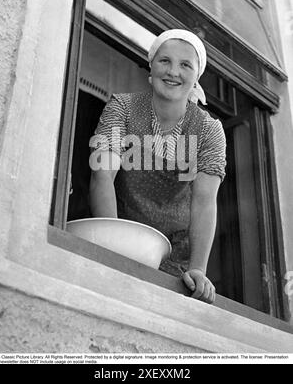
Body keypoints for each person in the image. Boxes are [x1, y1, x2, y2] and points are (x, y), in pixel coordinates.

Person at [89, 29, 226, 304]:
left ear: (196, 77)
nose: (173, 71)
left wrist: (197, 268)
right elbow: (101, 177)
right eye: (165, 61)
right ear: (151, 66)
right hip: (122, 229)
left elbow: (204, 202)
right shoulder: (122, 107)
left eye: (185, 65)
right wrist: (114, 245)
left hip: (175, 254)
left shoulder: (210, 130)